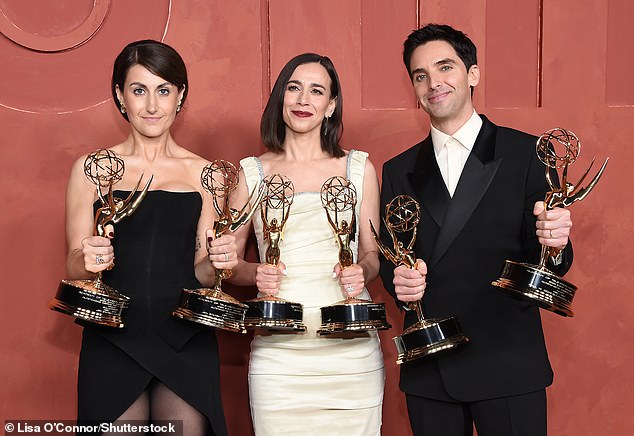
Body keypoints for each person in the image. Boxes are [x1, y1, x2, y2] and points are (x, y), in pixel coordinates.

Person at [378, 24, 574, 436]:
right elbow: (390, 258)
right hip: (431, 365)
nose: (434, 83)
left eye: (445, 67)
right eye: (420, 75)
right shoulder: (398, 170)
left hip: (508, 361)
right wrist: (399, 280)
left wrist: (555, 242)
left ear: (473, 74)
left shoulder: (527, 153)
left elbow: (552, 264)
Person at [66, 40, 235, 435]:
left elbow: (204, 272)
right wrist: (87, 258)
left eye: (164, 90)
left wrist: (219, 261)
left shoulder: (204, 174)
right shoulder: (90, 169)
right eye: (139, 90)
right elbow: (74, 264)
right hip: (113, 334)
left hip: (185, 335)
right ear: (119, 96)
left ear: (181, 96)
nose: (152, 105)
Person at [229, 53, 385, 435]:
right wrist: (255, 273)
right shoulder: (252, 172)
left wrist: (360, 271)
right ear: (280, 96)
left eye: (317, 91)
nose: (303, 100)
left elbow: (372, 255)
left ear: (331, 105)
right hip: (279, 353)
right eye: (294, 88)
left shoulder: (359, 168)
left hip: (351, 351)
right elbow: (227, 264)